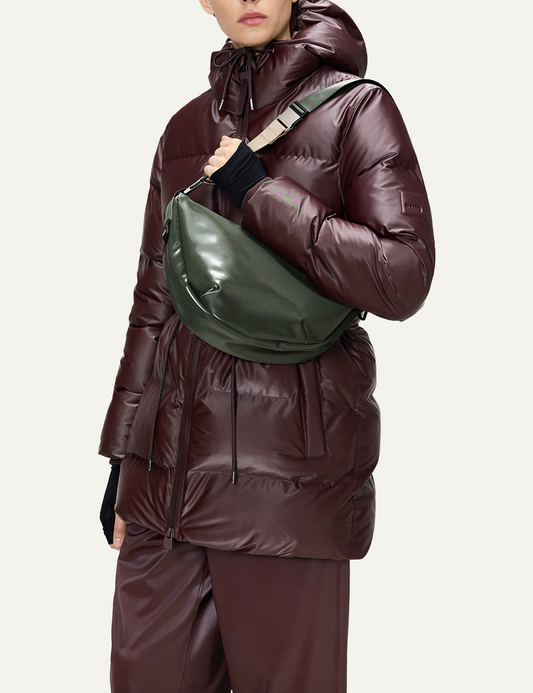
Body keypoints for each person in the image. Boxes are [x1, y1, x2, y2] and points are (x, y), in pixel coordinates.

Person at [98, 1, 436, 691]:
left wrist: (260, 192)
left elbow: (402, 275)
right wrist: (122, 457)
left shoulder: (355, 108)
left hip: (285, 486)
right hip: (164, 488)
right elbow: (154, 301)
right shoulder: (183, 130)